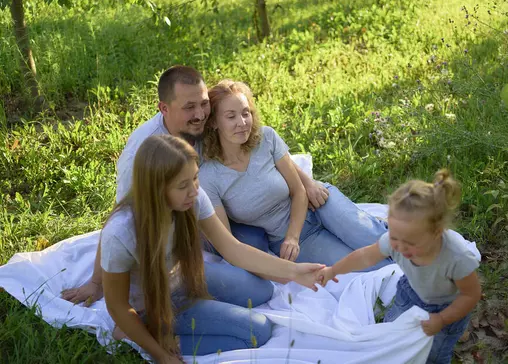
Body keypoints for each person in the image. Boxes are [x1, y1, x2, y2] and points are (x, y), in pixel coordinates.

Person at [62, 66, 329, 308]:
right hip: (180, 241)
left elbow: (263, 146)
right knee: (256, 287)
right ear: (164, 109)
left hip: (214, 212)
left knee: (254, 243)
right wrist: (97, 283)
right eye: (190, 107)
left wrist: (306, 182)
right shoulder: (142, 154)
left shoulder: (203, 126)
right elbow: (120, 217)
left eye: (203, 104)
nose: (200, 114)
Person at [101, 134, 324, 363]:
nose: (194, 190)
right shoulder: (121, 233)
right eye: (182, 185)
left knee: (263, 290)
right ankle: (143, 334)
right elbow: (117, 305)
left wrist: (294, 272)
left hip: (183, 279)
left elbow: (233, 248)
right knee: (257, 332)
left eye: (195, 178)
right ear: (157, 188)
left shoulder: (192, 199)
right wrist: (160, 354)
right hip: (152, 304)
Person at [199, 80, 392, 268]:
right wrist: (291, 239)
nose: (242, 123)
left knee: (381, 242)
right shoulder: (209, 176)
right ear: (214, 122)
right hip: (294, 239)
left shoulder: (265, 138)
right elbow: (227, 240)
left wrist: (293, 236)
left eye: (245, 113)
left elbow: (299, 190)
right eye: (231, 116)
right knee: (368, 265)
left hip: (319, 203)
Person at [318, 169, 482, 364]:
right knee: (392, 333)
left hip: (445, 307)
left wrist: (443, 319)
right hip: (409, 293)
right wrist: (333, 270)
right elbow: (364, 257)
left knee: (434, 354)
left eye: (411, 242)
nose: (400, 247)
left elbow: (470, 294)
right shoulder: (395, 241)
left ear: (437, 232)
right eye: (394, 237)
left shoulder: (456, 257)